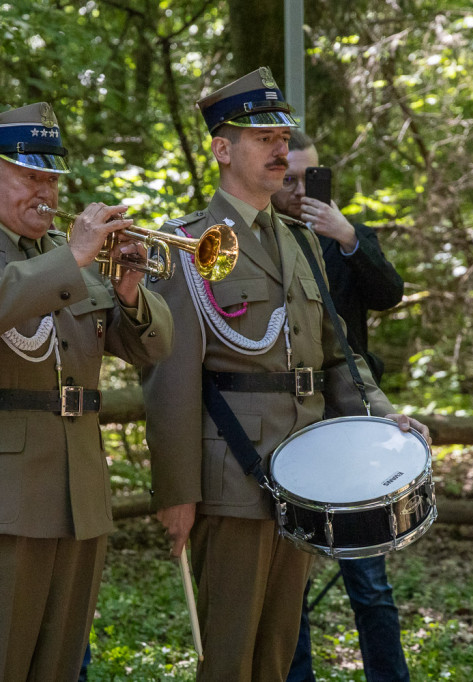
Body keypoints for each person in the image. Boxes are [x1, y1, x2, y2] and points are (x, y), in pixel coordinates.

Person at [142, 67, 429, 681]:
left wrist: (382, 419)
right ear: (223, 150)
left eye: (282, 136)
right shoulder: (187, 245)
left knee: (276, 652)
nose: (280, 148)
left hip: (305, 471)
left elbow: (335, 355)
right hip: (230, 477)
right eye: (263, 138)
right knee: (229, 655)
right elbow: (169, 381)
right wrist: (177, 492)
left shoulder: (300, 241)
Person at [0, 101, 172, 681]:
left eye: (52, 176)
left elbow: (152, 350)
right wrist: (71, 256)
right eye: (31, 175)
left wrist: (130, 291)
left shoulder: (64, 257)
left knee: (59, 668)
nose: (46, 190)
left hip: (77, 492)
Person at [271, 131, 410, 682]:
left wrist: (349, 237)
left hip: (355, 419)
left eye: (312, 178)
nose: (302, 189)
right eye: (290, 179)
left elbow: (389, 292)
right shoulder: (263, 242)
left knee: (368, 580)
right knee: (293, 578)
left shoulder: (344, 234)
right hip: (296, 419)